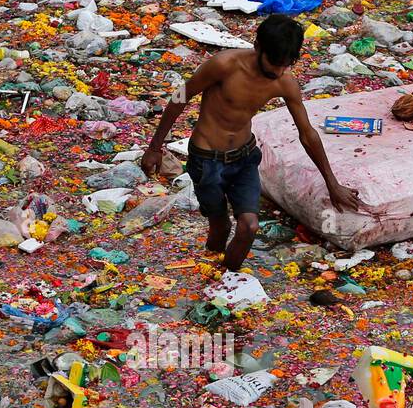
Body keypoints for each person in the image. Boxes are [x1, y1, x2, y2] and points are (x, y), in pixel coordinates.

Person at [140, 14, 360, 271]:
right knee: (220, 226)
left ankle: (227, 280)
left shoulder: (284, 82)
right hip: (206, 159)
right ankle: (209, 272)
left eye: (285, 65)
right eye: (273, 63)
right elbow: (181, 96)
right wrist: (155, 147)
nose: (277, 72)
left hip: (244, 157)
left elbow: (307, 133)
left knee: (249, 226)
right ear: (258, 47)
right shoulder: (224, 65)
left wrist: (332, 184)